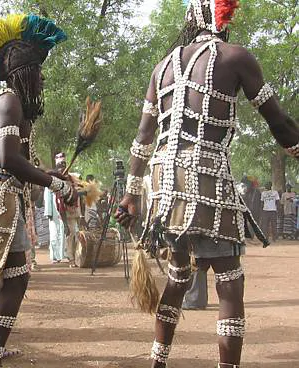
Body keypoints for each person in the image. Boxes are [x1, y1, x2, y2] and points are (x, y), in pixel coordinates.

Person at [115, 1, 299, 367]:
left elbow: (142, 137)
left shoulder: (162, 67)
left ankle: (158, 360)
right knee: (229, 278)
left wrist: (131, 196)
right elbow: (277, 121)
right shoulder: (235, 57)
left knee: (179, 275)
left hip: (164, 180)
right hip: (205, 173)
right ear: (221, 20)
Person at [0, 14, 73, 367]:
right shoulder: (9, 102)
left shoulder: (10, 103)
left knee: (12, 277)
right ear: (25, 72)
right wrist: (54, 183)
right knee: (17, 280)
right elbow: (8, 160)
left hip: (4, 196)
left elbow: (15, 159)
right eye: (39, 70)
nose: (43, 78)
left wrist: (45, 172)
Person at [44, 154, 67, 263]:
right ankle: (55, 256)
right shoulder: (51, 179)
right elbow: (47, 196)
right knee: (54, 234)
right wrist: (48, 212)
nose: (62, 166)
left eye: (64, 164)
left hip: (65, 212)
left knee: (64, 232)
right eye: (60, 164)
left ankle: (64, 255)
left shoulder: (68, 178)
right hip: (53, 211)